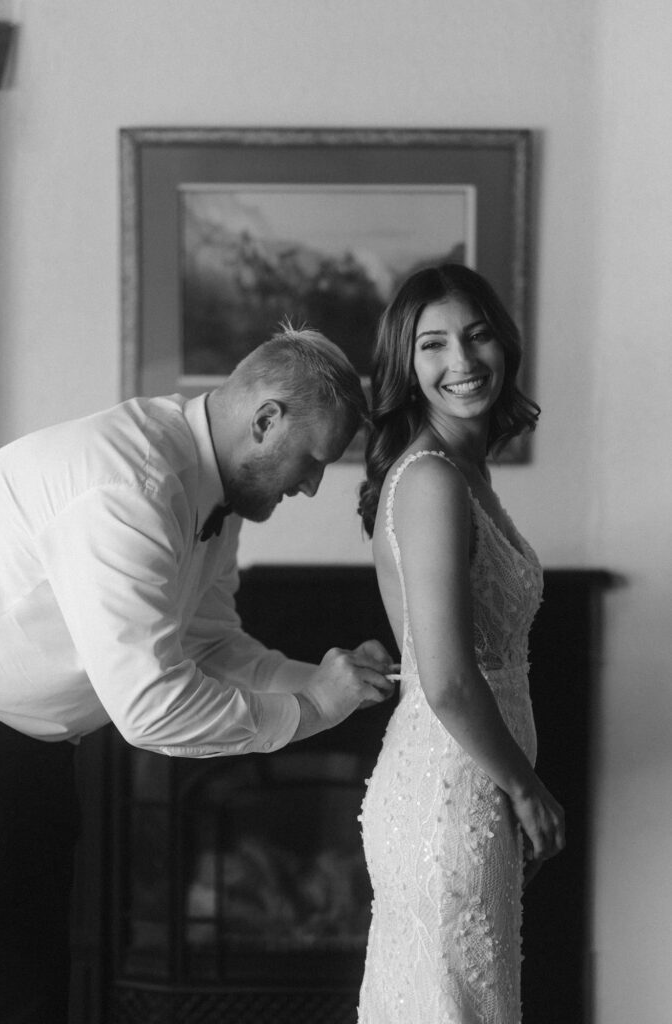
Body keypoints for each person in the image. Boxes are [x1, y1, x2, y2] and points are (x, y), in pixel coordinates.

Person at [0, 325, 394, 1024]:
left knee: (32, 988)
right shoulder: (131, 489)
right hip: (0, 749)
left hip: (33, 755)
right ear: (267, 419)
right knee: (17, 995)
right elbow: (149, 708)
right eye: (313, 461)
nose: (311, 485)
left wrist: (330, 682)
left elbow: (209, 644)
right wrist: (314, 712)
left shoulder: (211, 491)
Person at [356, 264, 565, 1023]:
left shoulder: (464, 471)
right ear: (406, 368)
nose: (463, 362)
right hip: (452, 792)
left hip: (472, 786)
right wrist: (526, 788)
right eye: (434, 344)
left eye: (477, 336)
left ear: (502, 344)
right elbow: (444, 678)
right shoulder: (432, 480)